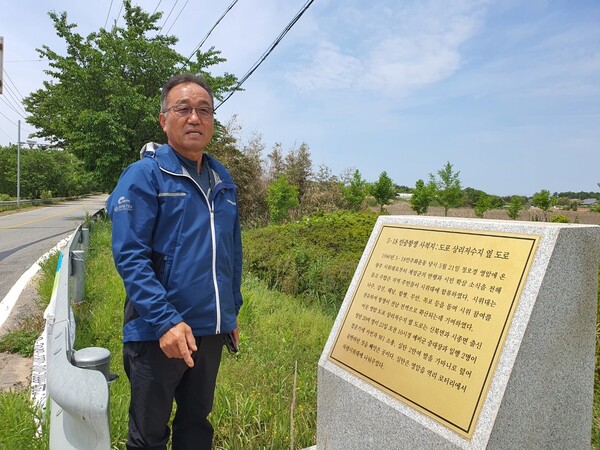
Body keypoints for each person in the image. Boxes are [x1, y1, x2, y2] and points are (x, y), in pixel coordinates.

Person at [106, 73, 243, 450]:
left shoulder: (221, 178)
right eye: (183, 109)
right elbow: (130, 258)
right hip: (157, 332)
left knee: (196, 426)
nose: (195, 118)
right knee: (149, 435)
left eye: (204, 110)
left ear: (213, 120)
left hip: (210, 330)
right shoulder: (144, 176)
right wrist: (165, 322)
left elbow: (231, 251)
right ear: (164, 120)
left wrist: (229, 312)